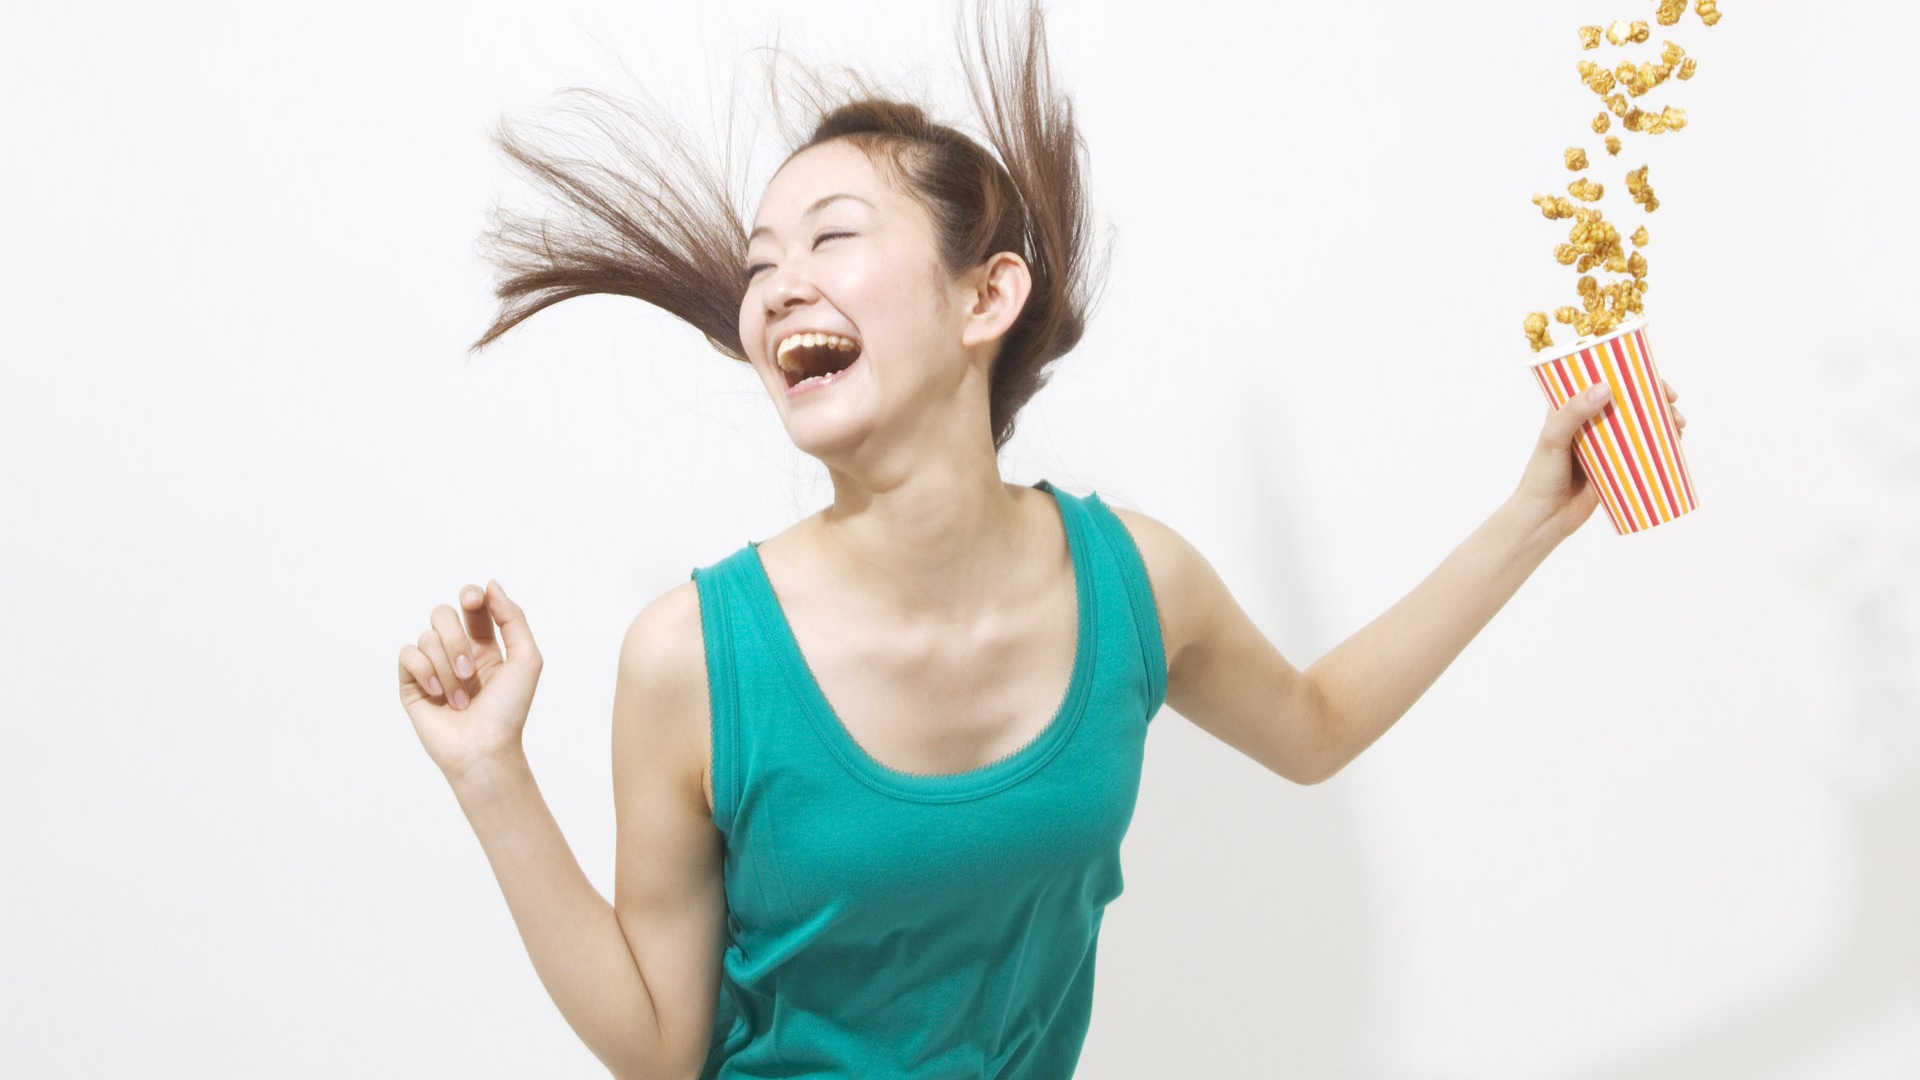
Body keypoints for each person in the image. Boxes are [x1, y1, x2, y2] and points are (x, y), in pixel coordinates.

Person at [395, 4, 1685, 1077]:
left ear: (988, 295)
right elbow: (660, 1051)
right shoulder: (691, 656)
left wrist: (1531, 517)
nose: (778, 287)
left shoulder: (1135, 584)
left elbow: (1317, 726)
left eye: (832, 237)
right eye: (759, 266)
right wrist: (491, 774)